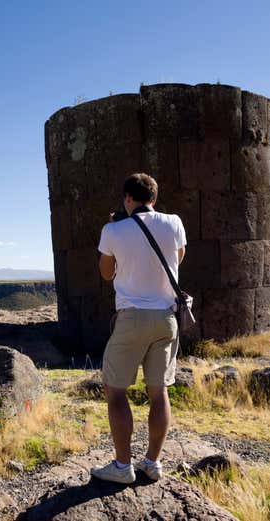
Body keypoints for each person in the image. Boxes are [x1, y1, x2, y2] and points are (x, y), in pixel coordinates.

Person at [90, 172, 186, 484]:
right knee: (159, 392)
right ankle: (152, 462)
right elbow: (178, 258)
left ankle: (122, 466)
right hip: (166, 317)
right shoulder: (174, 223)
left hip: (132, 317)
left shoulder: (113, 229)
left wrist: (118, 235)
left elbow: (106, 273)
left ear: (127, 198)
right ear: (154, 199)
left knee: (115, 390)